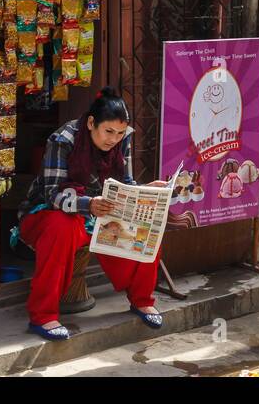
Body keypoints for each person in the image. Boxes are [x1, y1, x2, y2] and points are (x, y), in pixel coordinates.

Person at [16, 89, 165, 342]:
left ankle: (142, 300)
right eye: (108, 132)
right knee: (62, 226)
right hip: (48, 214)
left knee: (147, 225)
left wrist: (144, 191)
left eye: (119, 133)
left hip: (100, 212)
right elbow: (52, 195)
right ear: (90, 123)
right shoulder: (63, 139)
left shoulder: (123, 139)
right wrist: (88, 205)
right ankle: (43, 315)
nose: (114, 139)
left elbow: (124, 182)